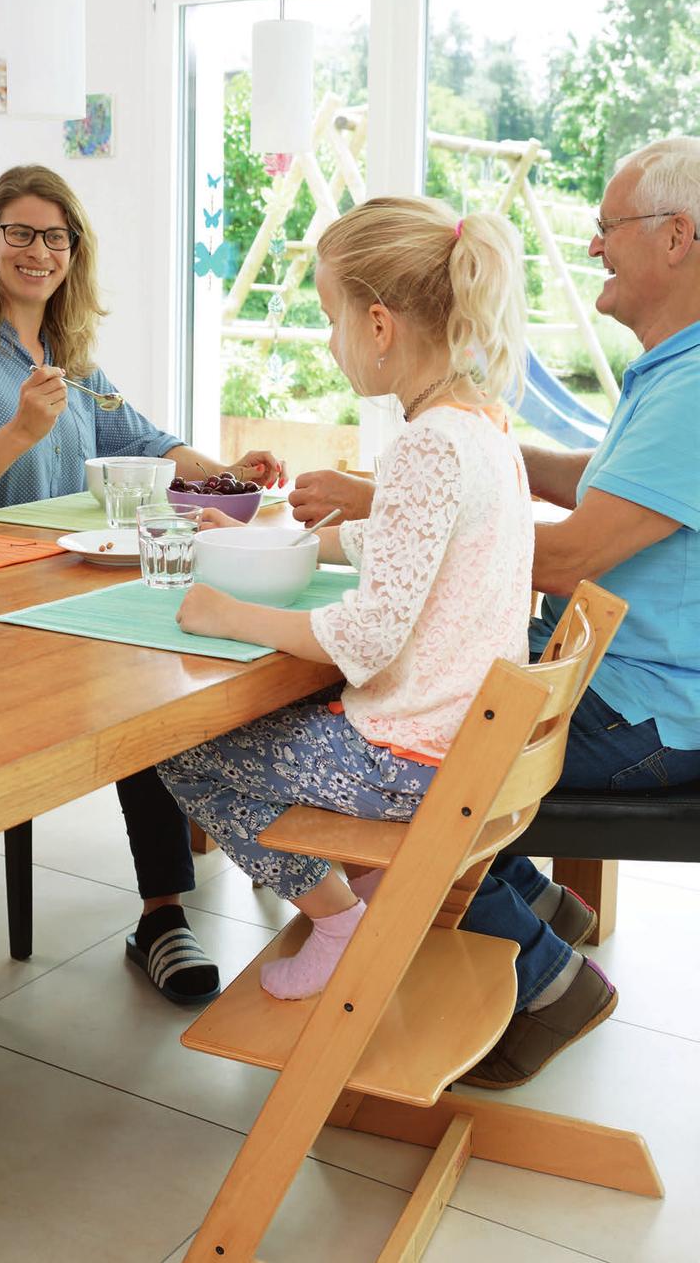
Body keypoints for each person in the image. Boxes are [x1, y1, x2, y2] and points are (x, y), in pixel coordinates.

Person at [288, 136, 700, 1085]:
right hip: (624, 672)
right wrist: (419, 484)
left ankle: (546, 972)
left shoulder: (691, 389)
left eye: (609, 228)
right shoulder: (668, 371)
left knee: (389, 759)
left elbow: (565, 550)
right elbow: (578, 485)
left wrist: (405, 502)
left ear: (677, 238)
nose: (595, 247)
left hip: (649, 707)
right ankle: (534, 914)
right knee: (418, 711)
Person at [0, 164, 286, 1006]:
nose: (39, 252)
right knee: (141, 688)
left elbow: (147, 440)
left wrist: (231, 475)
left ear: (74, 252)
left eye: (56, 237)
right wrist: (19, 430)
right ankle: (167, 914)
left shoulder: (70, 355)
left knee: (183, 660)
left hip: (66, 582)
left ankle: (191, 895)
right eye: (21, 233)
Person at [154, 194, 535, 1002]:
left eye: (332, 320)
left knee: (188, 756)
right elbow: (418, 544)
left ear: (379, 325)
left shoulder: (425, 444)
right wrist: (303, 542)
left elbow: (367, 637)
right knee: (255, 727)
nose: (331, 343)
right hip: (465, 742)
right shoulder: (483, 424)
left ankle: (337, 922)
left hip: (413, 759)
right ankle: (354, 897)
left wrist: (226, 612)